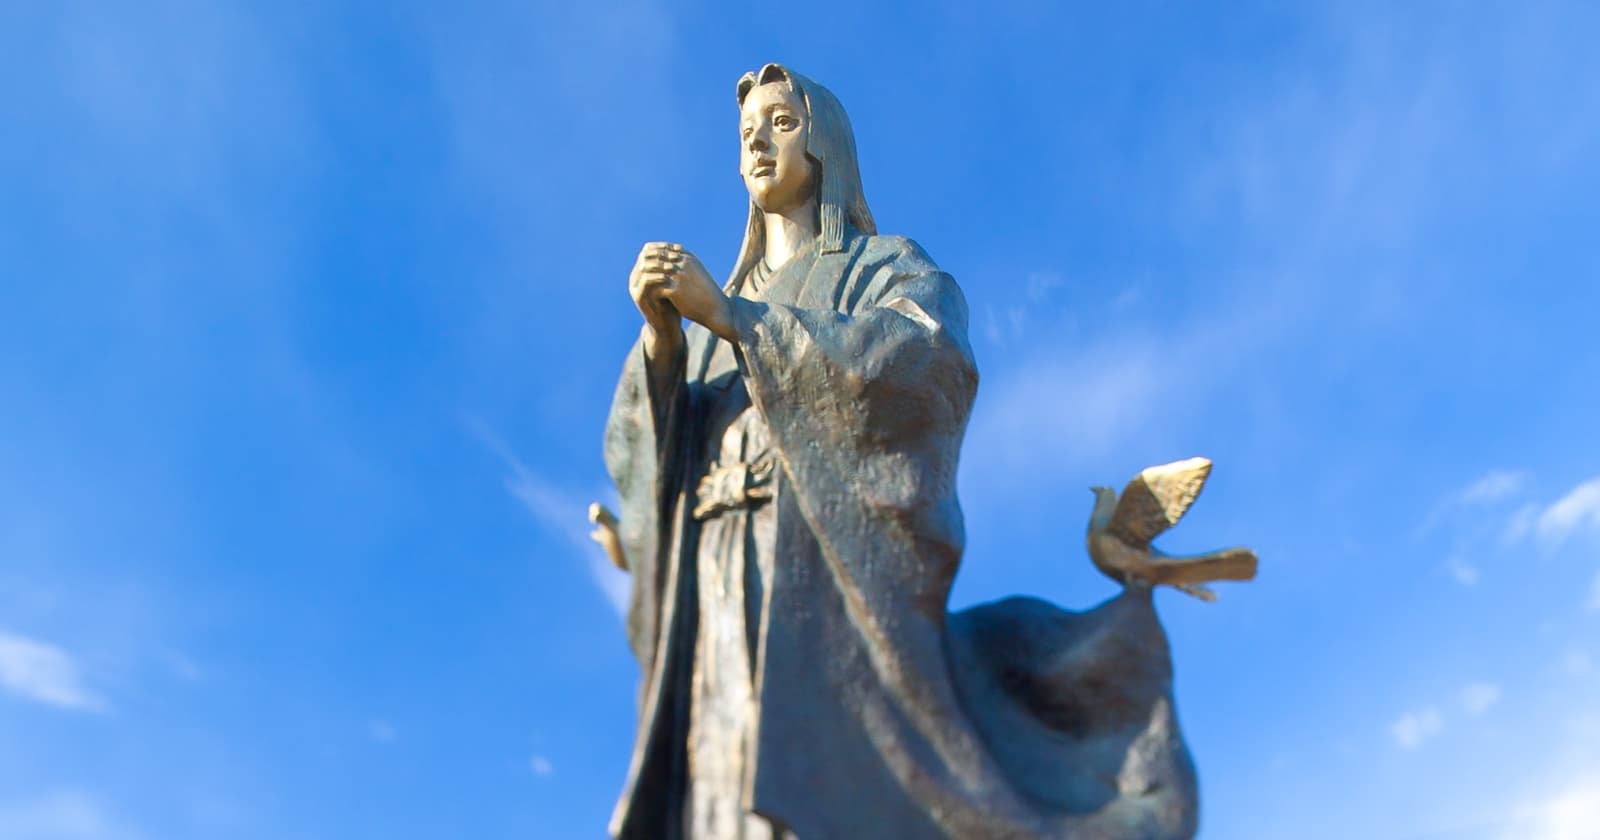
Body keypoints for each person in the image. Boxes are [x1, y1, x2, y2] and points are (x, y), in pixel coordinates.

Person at [603, 64, 1197, 840]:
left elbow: (923, 354)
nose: (758, 144)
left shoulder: (879, 268)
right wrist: (664, 342)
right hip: (715, 565)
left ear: (825, 145)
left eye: (781, 123)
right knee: (717, 778)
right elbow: (640, 452)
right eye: (747, 132)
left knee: (808, 779)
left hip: (812, 566)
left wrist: (738, 319)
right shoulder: (704, 312)